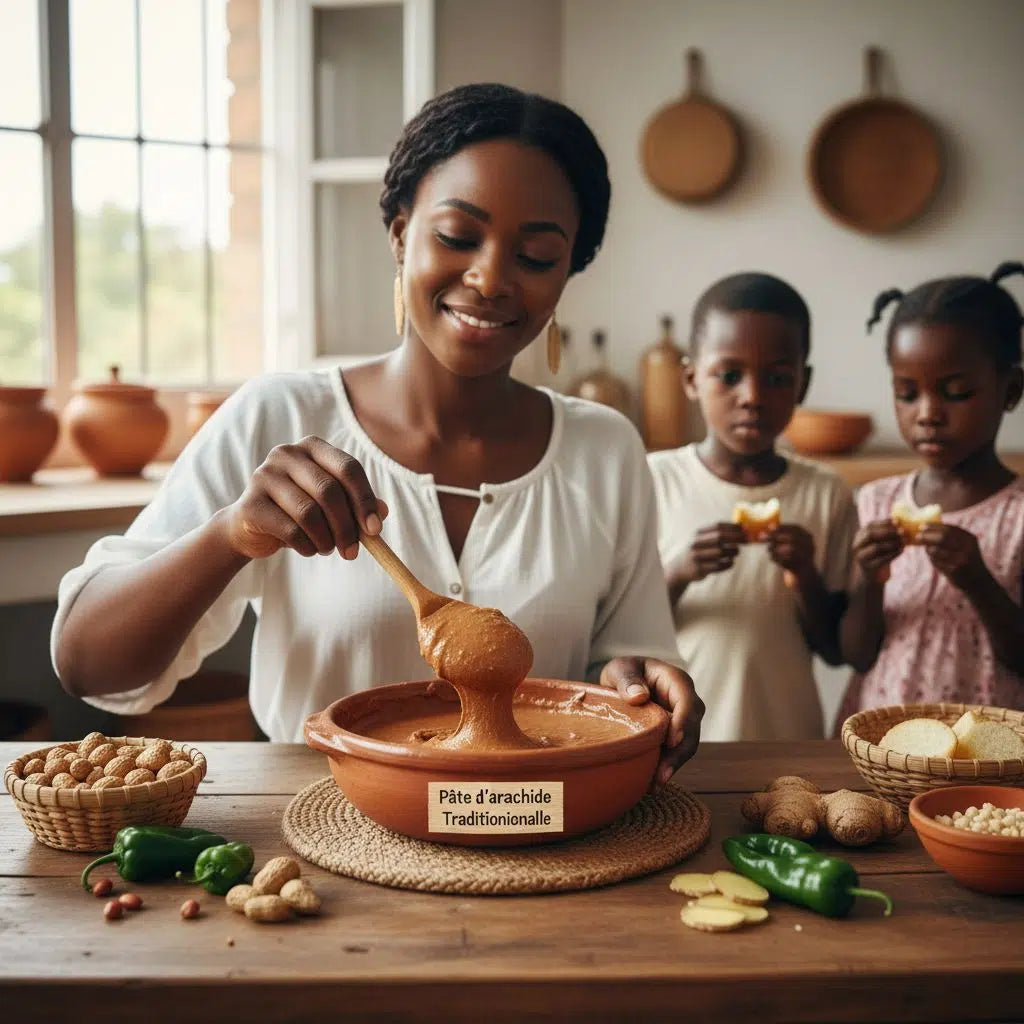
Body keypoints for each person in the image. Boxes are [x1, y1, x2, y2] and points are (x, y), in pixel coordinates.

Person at [51, 83, 703, 784]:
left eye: (537, 256)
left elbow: (622, 665)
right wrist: (230, 536)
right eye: (457, 237)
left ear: (569, 270)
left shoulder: (606, 450)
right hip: (313, 841)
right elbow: (91, 665)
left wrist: (639, 681)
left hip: (537, 844)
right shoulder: (279, 416)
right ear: (399, 232)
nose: (489, 278)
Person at [648, 273, 856, 741]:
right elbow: (616, 632)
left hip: (789, 736)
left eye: (778, 378)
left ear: (803, 384)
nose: (753, 397)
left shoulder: (827, 494)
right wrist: (679, 570)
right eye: (729, 375)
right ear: (690, 378)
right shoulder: (653, 481)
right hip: (673, 739)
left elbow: (835, 649)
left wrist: (805, 575)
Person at [837, 262, 1024, 722]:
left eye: (955, 392)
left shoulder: (1018, 516)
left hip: (986, 754)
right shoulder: (877, 501)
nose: (927, 414)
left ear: (1011, 390)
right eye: (906, 393)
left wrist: (978, 581)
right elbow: (857, 655)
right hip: (885, 741)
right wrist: (867, 579)